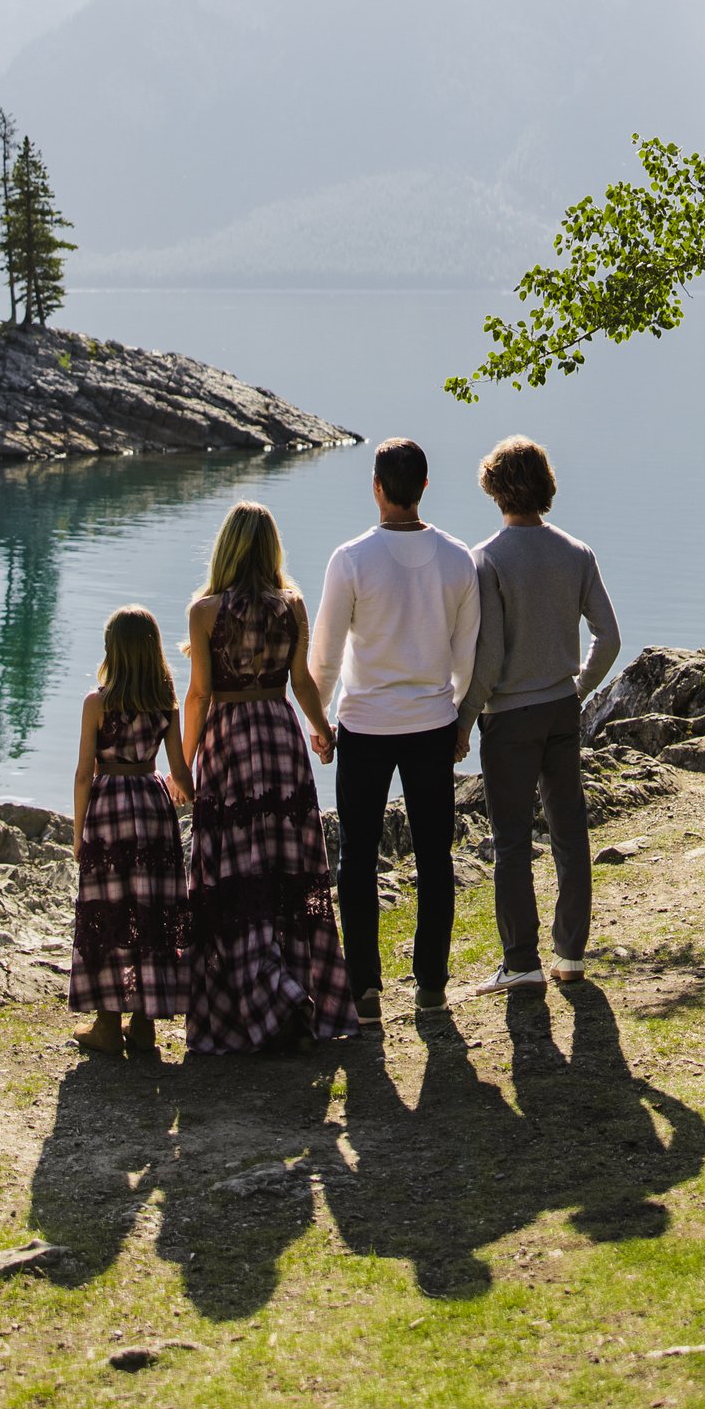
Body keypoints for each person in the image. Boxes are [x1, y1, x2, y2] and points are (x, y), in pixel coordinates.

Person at [307, 436, 481, 1024]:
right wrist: (459, 716)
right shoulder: (458, 559)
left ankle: (365, 990)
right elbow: (467, 655)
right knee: (435, 855)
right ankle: (431, 984)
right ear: (425, 487)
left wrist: (319, 720)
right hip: (432, 723)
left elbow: (325, 655)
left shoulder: (351, 559)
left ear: (377, 488)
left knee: (357, 859)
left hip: (366, 725)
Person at [182, 501, 358, 1054]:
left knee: (233, 870)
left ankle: (261, 999)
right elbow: (302, 682)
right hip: (279, 736)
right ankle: (293, 986)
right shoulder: (292, 605)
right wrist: (322, 728)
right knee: (288, 864)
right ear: (272, 548)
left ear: (227, 548)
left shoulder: (206, 612)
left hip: (229, 740)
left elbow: (201, 694)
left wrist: (182, 765)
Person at [458, 434, 620, 992]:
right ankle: (571, 955)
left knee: (511, 841)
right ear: (545, 486)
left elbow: (489, 658)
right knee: (569, 833)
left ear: (496, 489)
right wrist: (579, 686)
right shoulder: (577, 553)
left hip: (509, 719)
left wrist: (463, 720)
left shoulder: (488, 560)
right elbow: (610, 637)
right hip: (560, 710)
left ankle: (521, 962)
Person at [69, 605, 193, 1058]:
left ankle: (106, 1023)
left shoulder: (96, 703)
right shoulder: (165, 700)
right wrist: (196, 797)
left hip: (109, 810)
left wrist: (78, 832)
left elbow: (85, 772)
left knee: (109, 909)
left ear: (112, 651)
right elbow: (178, 768)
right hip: (152, 805)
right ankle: (145, 1025)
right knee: (151, 908)